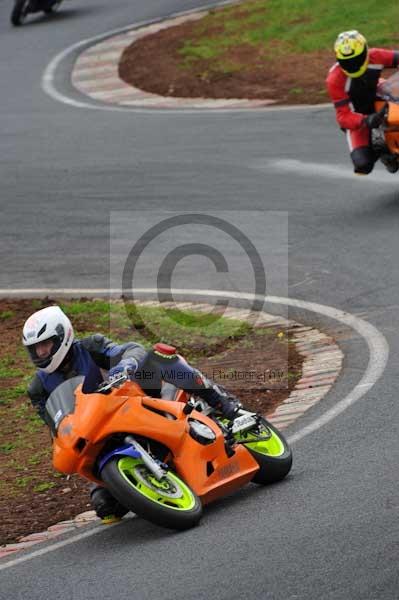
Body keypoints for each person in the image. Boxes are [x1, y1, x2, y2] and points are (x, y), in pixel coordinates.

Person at [23, 305, 242, 524]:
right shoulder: (38, 388)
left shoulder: (91, 346)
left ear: (63, 336)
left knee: (158, 359)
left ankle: (224, 404)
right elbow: (56, 425)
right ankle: (145, 480)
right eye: (35, 349)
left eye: (45, 345)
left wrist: (126, 363)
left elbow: (131, 349)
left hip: (131, 400)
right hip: (95, 431)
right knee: (104, 505)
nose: (40, 353)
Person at [326, 30, 399, 175]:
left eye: (356, 59)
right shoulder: (334, 80)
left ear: (365, 51)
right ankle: (382, 151)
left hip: (377, 94)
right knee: (362, 165)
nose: (352, 65)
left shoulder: (375, 56)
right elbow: (343, 116)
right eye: (346, 61)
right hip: (357, 117)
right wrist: (366, 120)